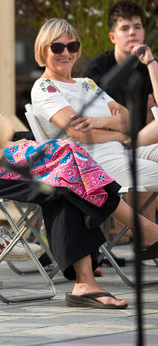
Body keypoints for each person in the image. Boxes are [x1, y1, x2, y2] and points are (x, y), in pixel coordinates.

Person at [0, 13, 158, 309]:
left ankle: (85, 283)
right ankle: (144, 230)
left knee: (63, 181)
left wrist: (12, 145)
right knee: (67, 154)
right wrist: (1, 147)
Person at [31, 18, 158, 225]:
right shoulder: (45, 87)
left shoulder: (86, 84)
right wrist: (116, 132)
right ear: (43, 50)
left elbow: (129, 120)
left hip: (122, 150)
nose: (66, 53)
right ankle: (148, 236)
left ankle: (148, 238)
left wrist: (98, 122)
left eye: (72, 46)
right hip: (93, 163)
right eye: (57, 47)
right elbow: (79, 132)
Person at [80, 1, 157, 131]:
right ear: (112, 37)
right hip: (107, 140)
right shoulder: (96, 68)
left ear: (144, 34)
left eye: (137, 27)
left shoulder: (149, 65)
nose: (132, 32)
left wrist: (151, 63)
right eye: (125, 28)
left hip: (138, 141)